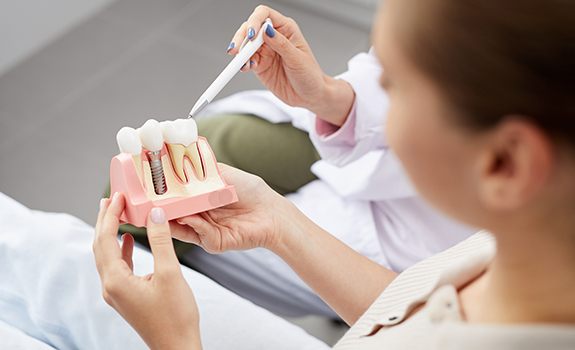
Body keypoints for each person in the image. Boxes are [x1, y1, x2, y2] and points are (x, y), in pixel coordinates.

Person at [94, 1, 575, 349]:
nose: (376, 95)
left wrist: (176, 340)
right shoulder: (512, 258)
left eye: (394, 85)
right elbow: (406, 309)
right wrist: (280, 222)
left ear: (504, 164)